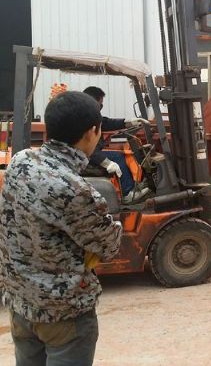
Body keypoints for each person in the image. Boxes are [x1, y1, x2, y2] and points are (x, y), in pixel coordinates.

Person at [0, 91, 123, 366]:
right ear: (91, 132)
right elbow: (109, 245)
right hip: (63, 314)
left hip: (21, 303)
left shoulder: (20, 161)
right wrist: (114, 225)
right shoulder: (76, 190)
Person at [83, 86, 150, 203]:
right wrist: (106, 163)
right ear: (93, 102)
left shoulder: (89, 117)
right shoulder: (84, 120)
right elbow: (88, 149)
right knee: (118, 157)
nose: (101, 107)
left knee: (121, 155)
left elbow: (108, 123)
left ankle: (133, 185)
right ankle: (128, 193)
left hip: (89, 155)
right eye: (100, 104)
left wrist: (129, 122)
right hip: (86, 158)